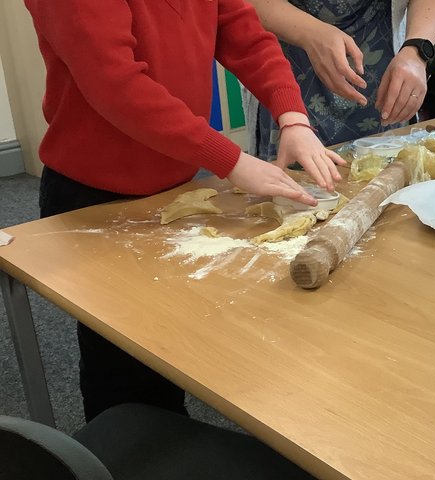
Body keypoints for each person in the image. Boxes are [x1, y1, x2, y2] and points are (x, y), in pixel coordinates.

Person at [24, 0, 345, 422]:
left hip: (172, 182)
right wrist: (231, 161)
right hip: (94, 195)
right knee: (124, 365)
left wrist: (292, 116)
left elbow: (242, 33)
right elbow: (116, 85)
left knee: (171, 339)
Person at [241, 0, 435, 159]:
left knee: (389, 188)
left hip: (385, 77)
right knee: (298, 195)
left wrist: (416, 50)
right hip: (289, 79)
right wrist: (310, 33)